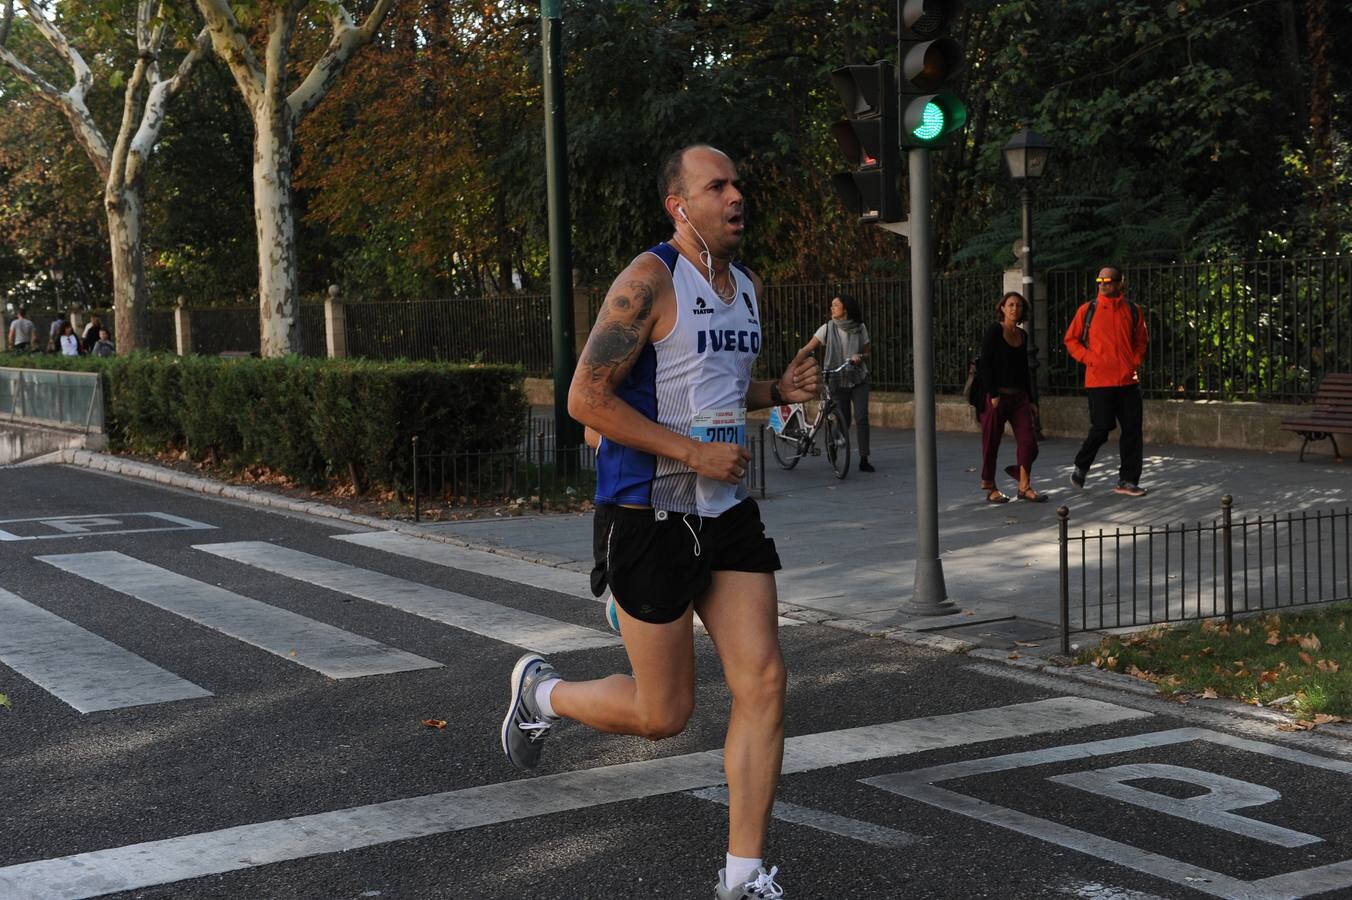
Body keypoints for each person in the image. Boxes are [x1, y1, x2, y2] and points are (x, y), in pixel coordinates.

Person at [500, 144, 819, 900]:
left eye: (739, 181)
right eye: (719, 185)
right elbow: (585, 399)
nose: (738, 194)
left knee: (765, 679)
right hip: (647, 511)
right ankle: (541, 694)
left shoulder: (746, 286)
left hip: (727, 512)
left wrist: (778, 389)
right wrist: (690, 455)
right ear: (682, 205)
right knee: (663, 714)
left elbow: (708, 389)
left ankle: (742, 874)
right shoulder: (648, 281)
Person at [1063, 266, 1149, 497]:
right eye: (1100, 280)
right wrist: (1089, 359)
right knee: (1102, 428)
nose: (1103, 284)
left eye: (1108, 281)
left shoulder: (1132, 310)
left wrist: (1134, 362)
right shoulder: (1087, 310)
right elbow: (1071, 340)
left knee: (1132, 430)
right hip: (1099, 381)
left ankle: (1128, 480)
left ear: (1120, 283)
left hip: (1127, 381)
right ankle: (1081, 465)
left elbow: (1142, 340)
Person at [978, 292, 1045, 503]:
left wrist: (1032, 400)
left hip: (1019, 398)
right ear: (1003, 308)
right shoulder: (994, 331)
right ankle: (990, 485)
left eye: (1019, 306)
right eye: (1011, 305)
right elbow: (985, 364)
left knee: (1029, 443)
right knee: (991, 442)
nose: (1015, 309)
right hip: (996, 397)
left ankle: (1024, 487)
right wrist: (993, 394)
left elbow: (1024, 370)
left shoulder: (1022, 336)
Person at [795, 293, 874, 472]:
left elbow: (868, 353)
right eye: (832, 305)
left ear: (845, 309)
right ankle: (833, 447)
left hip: (858, 378)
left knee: (862, 417)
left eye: (835, 305)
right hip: (836, 379)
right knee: (842, 419)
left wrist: (860, 356)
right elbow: (808, 348)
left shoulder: (860, 328)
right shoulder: (828, 328)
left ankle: (864, 458)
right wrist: (795, 363)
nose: (832, 308)